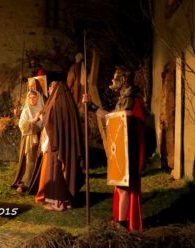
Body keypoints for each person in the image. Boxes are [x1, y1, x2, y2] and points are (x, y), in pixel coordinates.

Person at [83, 66, 145, 232]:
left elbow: (123, 117)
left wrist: (95, 108)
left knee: (123, 187)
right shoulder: (124, 98)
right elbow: (114, 116)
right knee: (120, 187)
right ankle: (121, 221)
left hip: (128, 150)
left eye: (115, 78)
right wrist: (92, 107)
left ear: (123, 79)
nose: (112, 80)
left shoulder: (130, 98)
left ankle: (122, 225)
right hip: (122, 149)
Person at [40, 81, 84, 211]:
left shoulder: (57, 103)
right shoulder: (70, 103)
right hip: (68, 144)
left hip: (57, 144)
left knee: (56, 172)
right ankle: (67, 201)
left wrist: (44, 116)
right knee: (67, 169)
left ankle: (58, 203)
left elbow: (49, 121)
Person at [12, 90, 43, 193]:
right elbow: (22, 125)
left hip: (40, 137)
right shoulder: (26, 110)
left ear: (38, 98)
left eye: (35, 97)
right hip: (29, 138)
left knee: (40, 160)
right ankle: (25, 183)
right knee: (30, 160)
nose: (32, 99)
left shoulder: (41, 109)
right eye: (31, 98)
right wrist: (34, 120)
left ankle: (38, 183)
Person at [67, 52, 86, 117]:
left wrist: (68, 88)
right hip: (84, 89)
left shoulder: (74, 67)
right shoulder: (85, 66)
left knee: (76, 106)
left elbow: (70, 80)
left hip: (76, 90)